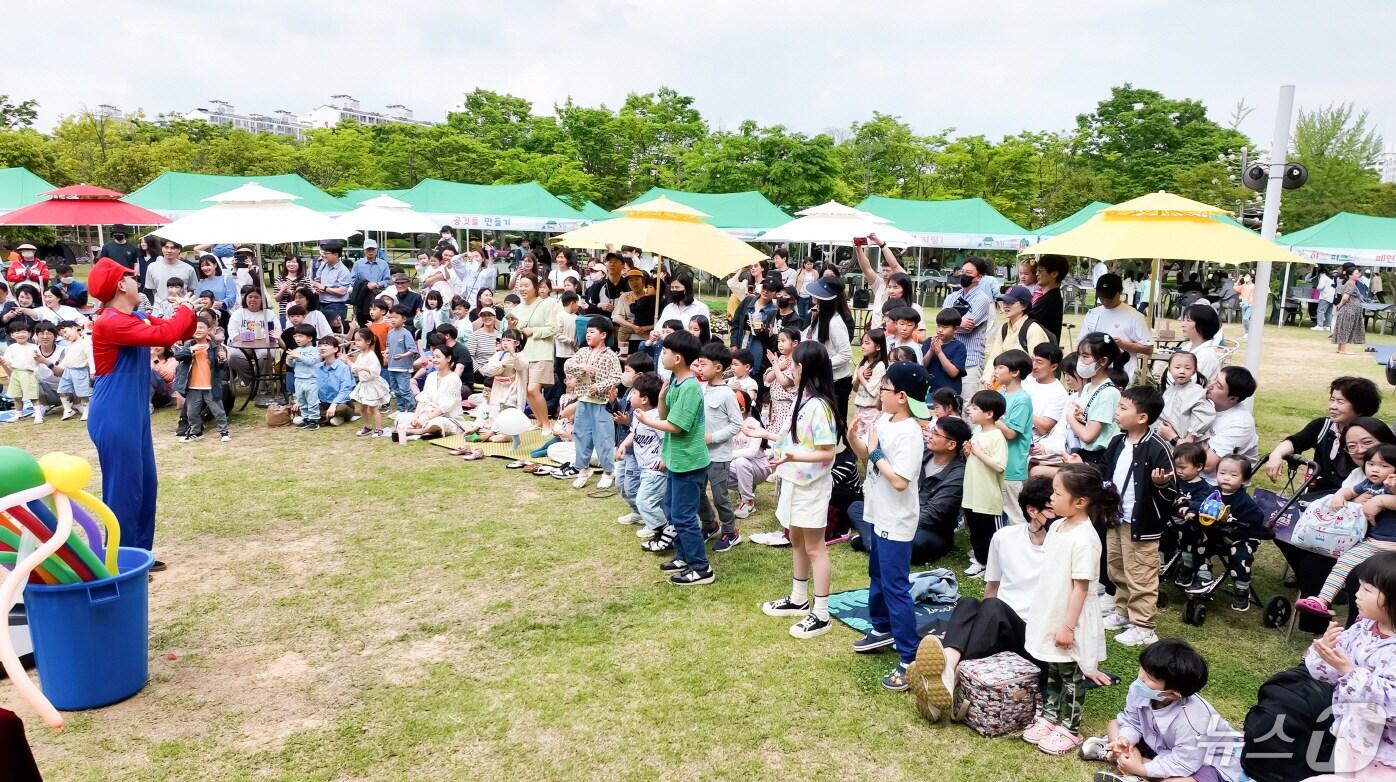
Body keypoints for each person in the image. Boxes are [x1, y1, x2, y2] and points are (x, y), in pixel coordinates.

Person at [908, 475, 1054, 723]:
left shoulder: (1062, 544)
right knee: (969, 603)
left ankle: (951, 676)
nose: (1059, 513)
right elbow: (992, 586)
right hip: (999, 627)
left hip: (1033, 638)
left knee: (994, 607)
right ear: (1032, 510)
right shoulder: (1005, 538)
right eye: (1052, 508)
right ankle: (949, 668)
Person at [86, 257, 196, 567]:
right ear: (121, 285)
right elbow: (163, 336)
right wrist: (184, 310)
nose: (138, 282)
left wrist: (186, 311)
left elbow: (178, 330)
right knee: (123, 490)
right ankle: (119, 562)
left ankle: (139, 556)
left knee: (146, 485)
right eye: (132, 278)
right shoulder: (110, 321)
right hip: (114, 415)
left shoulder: (134, 317)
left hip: (132, 415)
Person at [846, 360, 933, 691]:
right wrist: (856, 439)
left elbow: (899, 480)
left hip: (897, 519)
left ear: (900, 395)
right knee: (877, 574)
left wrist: (877, 450)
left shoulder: (910, 433)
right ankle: (881, 627)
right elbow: (868, 458)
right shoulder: (884, 420)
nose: (877, 393)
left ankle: (909, 658)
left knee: (896, 586)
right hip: (877, 512)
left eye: (883, 388)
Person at [748, 340, 842, 634]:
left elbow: (828, 452)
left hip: (811, 486)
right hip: (793, 481)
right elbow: (794, 439)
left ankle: (822, 613)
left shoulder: (820, 407)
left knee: (815, 548)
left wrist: (792, 456)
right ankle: (799, 599)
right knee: (798, 542)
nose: (788, 368)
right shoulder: (803, 400)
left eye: (792, 364)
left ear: (802, 367)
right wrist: (764, 432)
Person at [1021, 463, 1113, 756]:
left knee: (1071, 674)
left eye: (1058, 494)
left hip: (1070, 616)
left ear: (1080, 501)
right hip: (1051, 607)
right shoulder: (1058, 526)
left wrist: (1068, 626)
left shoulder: (1085, 539)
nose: (1051, 498)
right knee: (1052, 666)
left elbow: (1081, 588)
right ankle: (1050, 716)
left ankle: (1070, 727)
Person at [1083, 639, 1244, 782]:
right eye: (1142, 670)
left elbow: (1183, 763)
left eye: (1150, 678)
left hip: (1206, 761)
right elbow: (1132, 722)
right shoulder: (1140, 688)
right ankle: (1128, 765)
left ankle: (1133, 770)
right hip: (1162, 744)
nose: (1141, 678)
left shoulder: (1194, 720)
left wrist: (1142, 769)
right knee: (1114, 725)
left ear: (1173, 695)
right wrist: (1125, 740)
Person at [1303, 551, 1396, 781]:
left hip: (1387, 754)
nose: (1357, 595)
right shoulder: (1362, 628)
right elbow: (1328, 673)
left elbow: (1390, 704)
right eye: (1359, 586)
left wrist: (1350, 672)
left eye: (1367, 590)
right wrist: (1325, 651)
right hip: (1352, 734)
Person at [632, 330, 714, 586]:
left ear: (677, 358)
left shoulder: (690, 387)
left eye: (666, 352)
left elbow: (677, 426)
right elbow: (666, 412)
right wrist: (661, 396)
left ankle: (701, 568)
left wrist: (648, 420)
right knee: (670, 509)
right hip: (676, 458)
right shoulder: (676, 382)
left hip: (689, 461)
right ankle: (683, 556)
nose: (662, 355)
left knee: (684, 516)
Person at [1100, 386, 1174, 648]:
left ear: (1142, 417)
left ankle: (1143, 625)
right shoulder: (1117, 441)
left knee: (1140, 572)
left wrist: (1161, 484)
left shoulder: (1157, 448)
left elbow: (1171, 490)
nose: (1117, 412)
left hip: (1142, 522)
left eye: (1122, 408)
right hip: (1116, 517)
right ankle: (1122, 611)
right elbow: (1106, 472)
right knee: (1117, 566)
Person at [1296, 441, 1396, 618]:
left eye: (1384, 466)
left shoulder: (1391, 485)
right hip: (1372, 543)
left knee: (1380, 580)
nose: (1375, 469)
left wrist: (1383, 498)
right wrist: (1340, 495)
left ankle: (1373, 615)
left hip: (1392, 548)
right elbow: (1349, 491)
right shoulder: (1367, 484)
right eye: (1371, 464)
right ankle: (1322, 600)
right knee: (1343, 563)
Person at [1265, 376, 1381, 494]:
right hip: (1315, 497)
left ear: (1360, 406)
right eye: (1332, 399)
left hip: (1352, 498)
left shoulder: (1372, 435)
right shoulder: (1323, 426)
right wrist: (1276, 454)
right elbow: (1296, 441)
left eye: (1340, 402)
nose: (1333, 406)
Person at [556, 316, 623, 487]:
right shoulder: (582, 352)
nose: (588, 335)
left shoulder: (610, 356)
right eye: (587, 332)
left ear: (603, 335)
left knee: (604, 438)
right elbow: (567, 366)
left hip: (601, 404)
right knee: (581, 436)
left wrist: (600, 386)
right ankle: (583, 469)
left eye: (592, 332)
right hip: (583, 401)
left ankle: (609, 471)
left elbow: (617, 376)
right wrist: (582, 368)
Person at [507, 273, 560, 434]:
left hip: (541, 352)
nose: (522, 289)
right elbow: (515, 334)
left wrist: (534, 331)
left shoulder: (546, 305)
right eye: (520, 286)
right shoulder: (517, 309)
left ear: (535, 287)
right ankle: (539, 421)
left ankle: (546, 424)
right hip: (524, 354)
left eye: (526, 285)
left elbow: (554, 328)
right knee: (527, 391)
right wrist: (512, 328)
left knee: (533, 389)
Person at [962, 389, 1008, 572]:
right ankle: (981, 561)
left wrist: (979, 453)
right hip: (972, 494)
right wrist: (969, 453)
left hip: (988, 496)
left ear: (989, 414)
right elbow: (975, 460)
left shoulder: (997, 436)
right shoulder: (977, 431)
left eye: (974, 408)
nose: (969, 411)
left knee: (991, 533)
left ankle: (994, 566)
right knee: (975, 530)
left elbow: (999, 466)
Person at [619, 372, 669, 540]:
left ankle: (663, 531)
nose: (630, 395)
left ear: (644, 399)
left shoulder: (656, 417)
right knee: (656, 501)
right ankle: (657, 525)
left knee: (644, 501)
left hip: (655, 468)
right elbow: (634, 432)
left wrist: (665, 458)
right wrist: (624, 445)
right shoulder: (638, 414)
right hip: (645, 468)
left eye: (634, 392)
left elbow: (666, 438)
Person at [1066, 332, 1125, 466]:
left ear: (1103, 361)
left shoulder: (1108, 393)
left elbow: (1088, 436)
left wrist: (1070, 416)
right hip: (1080, 452)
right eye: (1079, 356)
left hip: (1097, 459)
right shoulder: (1088, 387)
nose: (1080, 361)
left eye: (1085, 357)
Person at [942, 257, 996, 405]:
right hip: (948, 357)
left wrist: (950, 324)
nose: (964, 275)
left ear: (978, 277)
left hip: (970, 359)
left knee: (967, 403)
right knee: (947, 402)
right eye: (963, 271)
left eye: (969, 272)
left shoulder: (982, 299)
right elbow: (942, 322)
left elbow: (967, 328)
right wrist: (959, 323)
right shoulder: (952, 297)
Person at [1082, 273, 1152, 381]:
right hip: (1093, 374)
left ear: (1120, 292)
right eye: (1101, 297)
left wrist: (1123, 344)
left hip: (1120, 376)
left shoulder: (1135, 316)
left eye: (1109, 297)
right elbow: (1081, 342)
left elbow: (1148, 349)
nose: (1105, 301)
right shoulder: (1092, 314)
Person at [173, 314, 231, 442]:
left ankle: (224, 431)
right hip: (193, 385)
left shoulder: (214, 347)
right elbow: (178, 355)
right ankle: (195, 431)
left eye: (201, 327)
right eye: (195, 328)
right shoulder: (189, 345)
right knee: (191, 412)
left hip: (210, 385)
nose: (198, 330)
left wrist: (222, 361)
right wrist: (191, 350)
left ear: (208, 330)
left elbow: (222, 367)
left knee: (218, 410)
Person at [992, 349, 1035, 526]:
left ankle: (1022, 548)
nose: (995, 371)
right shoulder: (1001, 394)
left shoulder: (1022, 400)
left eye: (1000, 367)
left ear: (1015, 372)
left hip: (1012, 466)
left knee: (1014, 514)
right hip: (997, 460)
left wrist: (991, 416)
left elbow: (1011, 433)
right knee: (997, 509)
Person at [802, 276, 854, 415]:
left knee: (835, 423)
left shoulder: (835, 322)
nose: (813, 295)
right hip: (823, 379)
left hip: (837, 382)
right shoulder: (819, 316)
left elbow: (845, 354)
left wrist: (822, 364)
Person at [981, 285, 1050, 389]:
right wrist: (988, 378)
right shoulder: (1004, 328)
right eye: (1004, 302)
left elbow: (1038, 365)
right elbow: (994, 357)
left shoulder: (1033, 329)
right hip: (1004, 386)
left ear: (1024, 306)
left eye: (1011, 303)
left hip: (1026, 387)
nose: (1006, 306)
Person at [392, 346, 464, 443]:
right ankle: (424, 430)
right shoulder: (431, 376)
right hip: (426, 413)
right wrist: (416, 417)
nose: (434, 360)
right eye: (433, 357)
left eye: (438, 357)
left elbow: (446, 406)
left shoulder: (454, 378)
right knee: (401, 417)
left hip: (447, 416)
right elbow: (423, 398)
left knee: (437, 423)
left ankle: (417, 431)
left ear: (448, 358)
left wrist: (427, 418)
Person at [1204, 366, 1258, 482]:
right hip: (1189, 475)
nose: (1210, 385)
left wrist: (1174, 439)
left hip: (1216, 487)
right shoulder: (1204, 404)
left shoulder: (1240, 424)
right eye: (1214, 378)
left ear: (1233, 398)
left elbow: (1207, 465)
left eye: (1218, 386)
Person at [1024, 344, 1069, 470]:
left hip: (1031, 444)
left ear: (1053, 366)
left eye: (1039, 362)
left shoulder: (1059, 393)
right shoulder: (1027, 379)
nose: (1033, 365)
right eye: (1032, 360)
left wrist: (1022, 408)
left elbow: (1044, 427)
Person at [1157, 351, 1214, 446]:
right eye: (1177, 367)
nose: (1182, 371)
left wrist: (1191, 436)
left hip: (1187, 442)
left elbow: (1204, 415)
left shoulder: (1196, 391)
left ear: (1194, 371)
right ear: (1169, 369)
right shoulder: (1169, 391)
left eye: (1187, 368)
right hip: (1167, 439)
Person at [853, 234, 907, 330]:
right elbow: (866, 269)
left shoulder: (903, 284)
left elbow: (894, 265)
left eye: (888, 271)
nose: (885, 274)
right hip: (876, 335)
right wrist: (858, 249)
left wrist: (881, 244)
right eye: (883, 270)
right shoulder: (880, 284)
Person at [349, 328, 390, 438]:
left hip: (371, 385)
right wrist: (348, 362)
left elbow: (375, 371)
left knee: (373, 408)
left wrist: (361, 368)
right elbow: (355, 368)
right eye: (355, 340)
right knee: (363, 408)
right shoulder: (361, 354)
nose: (356, 343)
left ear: (368, 341)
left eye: (359, 340)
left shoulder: (371, 355)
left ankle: (379, 428)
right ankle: (367, 426)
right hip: (364, 384)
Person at [922, 308, 967, 399]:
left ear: (956, 329)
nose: (940, 330)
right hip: (929, 391)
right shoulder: (928, 342)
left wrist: (939, 352)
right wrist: (931, 350)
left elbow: (953, 373)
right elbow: (922, 365)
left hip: (948, 394)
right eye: (938, 326)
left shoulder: (959, 347)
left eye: (945, 327)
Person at [2, 321, 41, 422]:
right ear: (12, 335)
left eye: (23, 332)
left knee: (33, 396)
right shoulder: (11, 348)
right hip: (15, 373)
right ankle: (18, 414)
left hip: (29, 373)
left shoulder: (34, 347)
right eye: (17, 332)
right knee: (16, 396)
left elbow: (38, 361)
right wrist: (3, 360)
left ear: (29, 334)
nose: (20, 335)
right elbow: (8, 361)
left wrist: (36, 359)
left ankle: (38, 415)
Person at [851, 328, 889, 433]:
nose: (863, 346)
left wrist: (861, 376)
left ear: (878, 347)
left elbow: (873, 392)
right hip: (859, 408)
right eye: (862, 343)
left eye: (867, 343)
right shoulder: (862, 364)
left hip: (872, 410)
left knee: (870, 438)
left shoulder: (880, 366)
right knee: (858, 437)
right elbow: (854, 388)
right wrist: (859, 377)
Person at [313, 336, 354, 426]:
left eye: (326, 345)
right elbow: (311, 387)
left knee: (341, 409)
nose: (322, 348)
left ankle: (319, 419)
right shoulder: (317, 367)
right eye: (320, 346)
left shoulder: (343, 368)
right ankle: (329, 419)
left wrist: (334, 404)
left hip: (340, 403)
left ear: (336, 349)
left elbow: (346, 389)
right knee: (307, 407)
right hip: (322, 403)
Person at [1028, 254, 1068, 343]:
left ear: (1054, 274)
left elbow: (1026, 321)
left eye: (1040, 270)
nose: (1037, 274)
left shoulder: (1049, 299)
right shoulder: (1051, 296)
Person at [1180, 303, 1223, 383]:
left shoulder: (1206, 356)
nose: (1183, 325)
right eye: (1184, 320)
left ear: (1202, 324)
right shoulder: (1187, 347)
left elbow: (1192, 385)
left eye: (1188, 320)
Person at [312, 245, 352, 330]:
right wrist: (317, 287)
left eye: (327, 253)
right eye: (323, 253)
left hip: (336, 306)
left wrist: (324, 288)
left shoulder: (343, 271)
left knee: (335, 331)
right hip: (322, 304)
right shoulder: (323, 265)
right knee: (322, 330)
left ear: (336, 255)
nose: (324, 255)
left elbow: (342, 291)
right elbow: (317, 280)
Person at [1332, 263, 1366, 354]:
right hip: (1349, 310)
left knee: (1344, 327)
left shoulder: (1350, 283)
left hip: (1350, 309)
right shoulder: (1351, 284)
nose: (1358, 275)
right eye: (1356, 273)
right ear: (1350, 275)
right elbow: (1345, 297)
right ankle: (1342, 349)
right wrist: (1340, 305)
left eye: (1358, 273)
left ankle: (1340, 348)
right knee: (1346, 328)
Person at [273, 256, 312, 321]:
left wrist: (287, 290)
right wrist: (282, 290)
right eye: (289, 262)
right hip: (284, 312)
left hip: (302, 312)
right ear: (285, 264)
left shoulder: (305, 279)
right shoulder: (279, 279)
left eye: (294, 262)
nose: (291, 264)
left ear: (299, 264)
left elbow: (307, 296)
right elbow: (277, 299)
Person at [1313, 267, 1336, 331]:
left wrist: (1316, 287)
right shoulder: (1330, 278)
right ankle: (1328, 326)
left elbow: (1320, 287)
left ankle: (1320, 325)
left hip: (1325, 296)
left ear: (1320, 273)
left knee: (1320, 311)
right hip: (1332, 296)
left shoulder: (1323, 277)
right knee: (1329, 312)